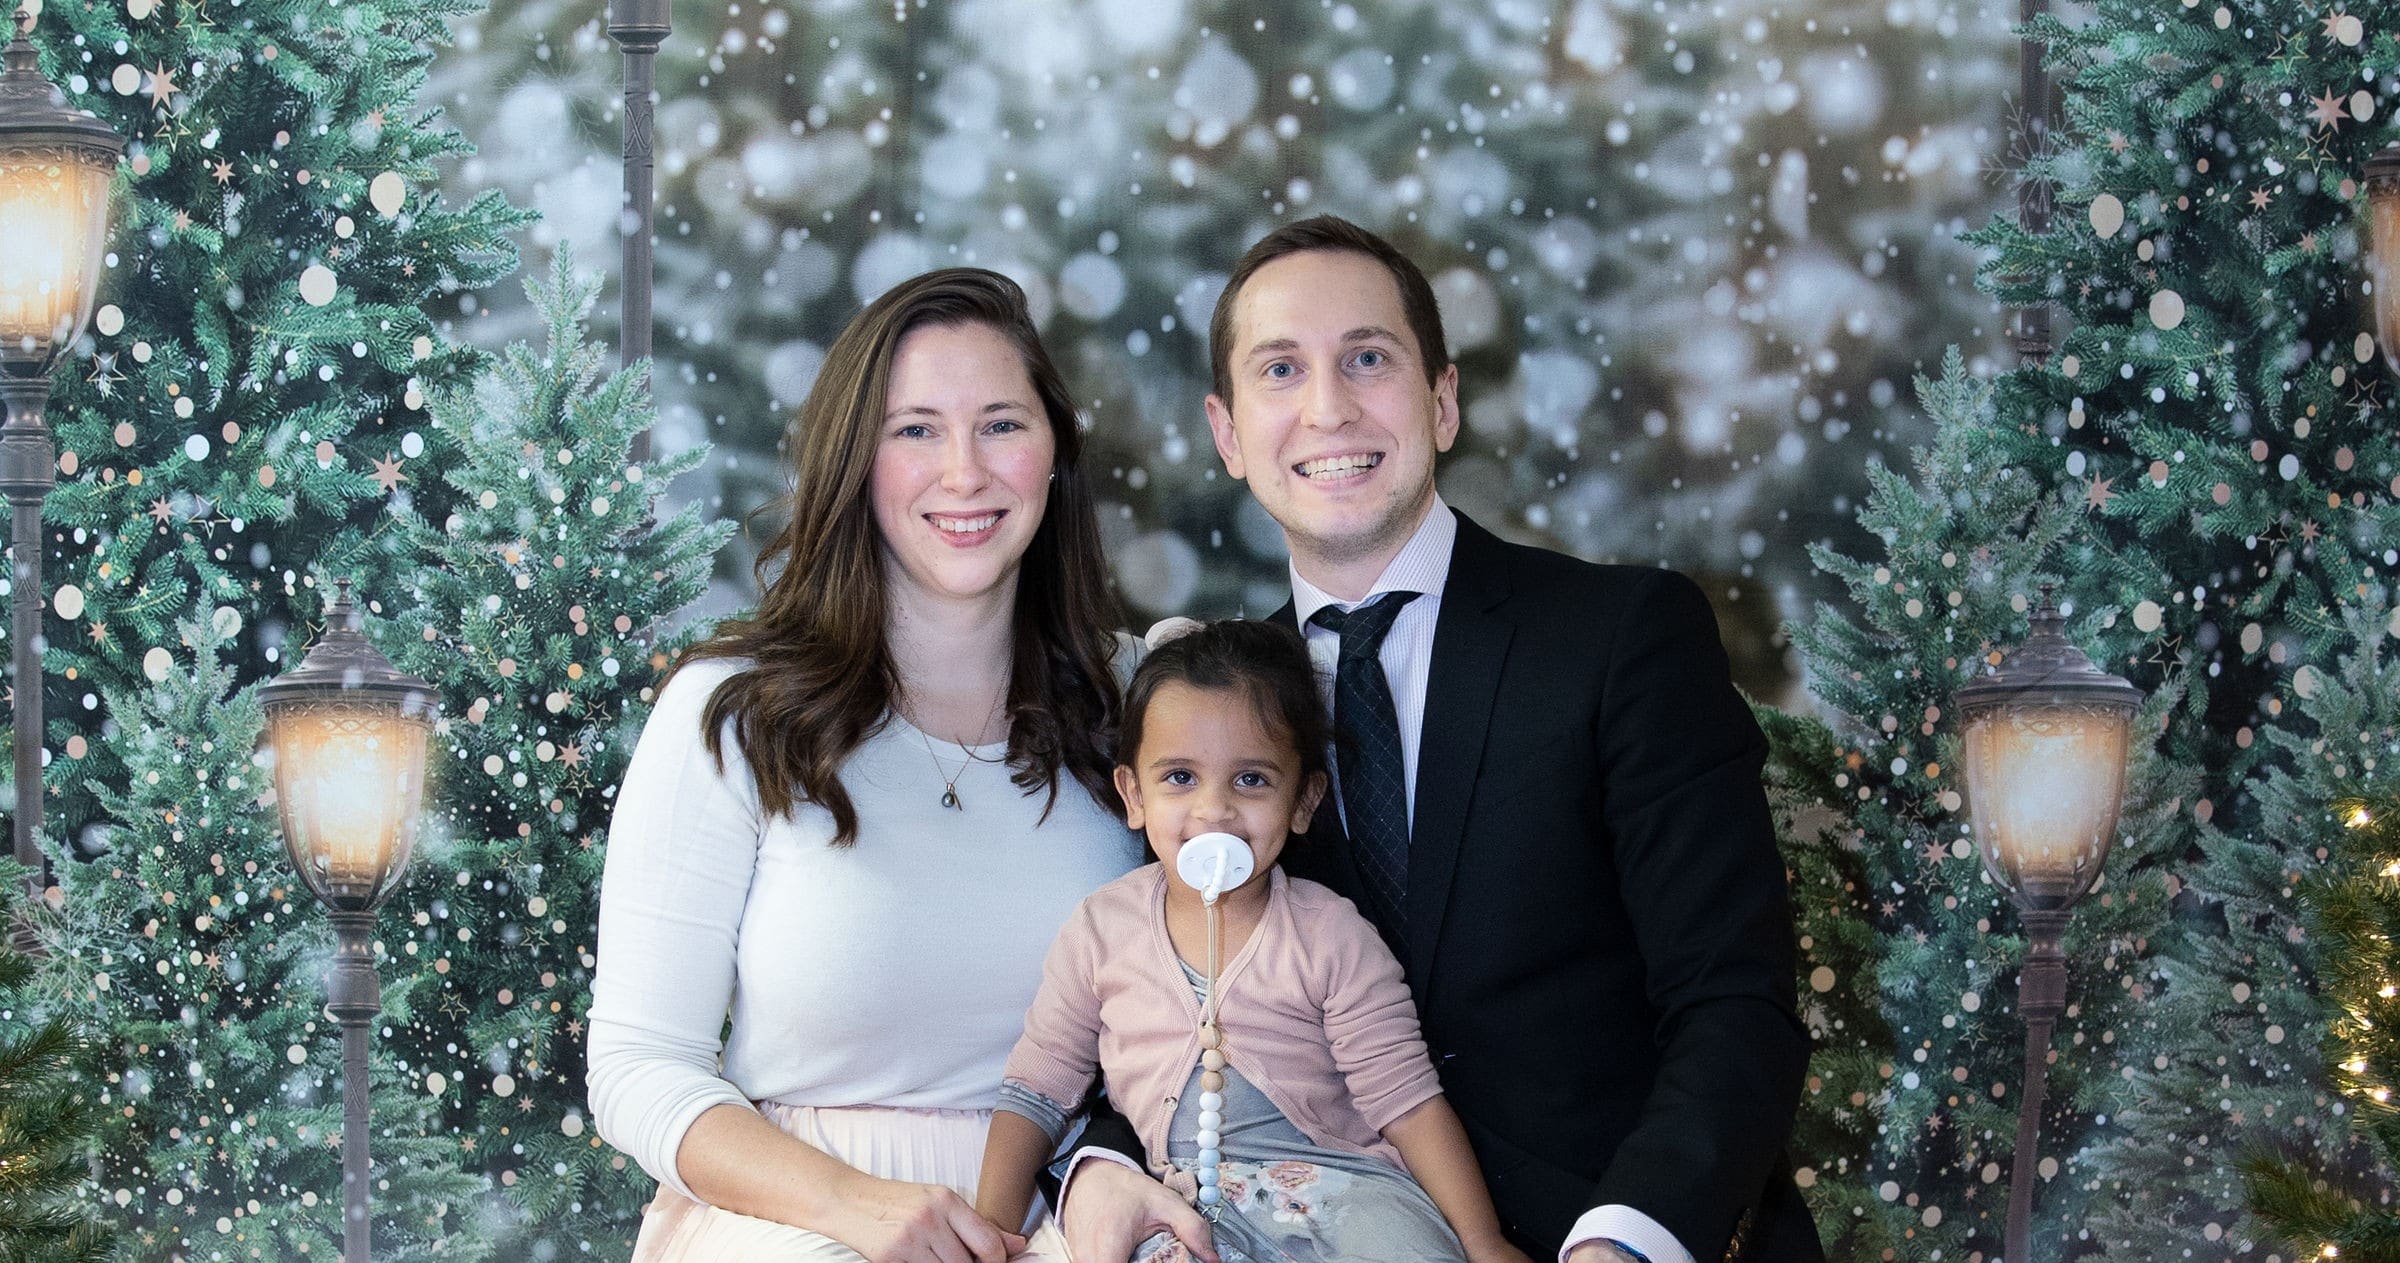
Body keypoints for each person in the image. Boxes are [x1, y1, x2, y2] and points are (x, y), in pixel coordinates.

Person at [1058, 217, 1822, 1263]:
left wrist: (1622, 1242)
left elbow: (1734, 1005)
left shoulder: (1619, 639)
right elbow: (1149, 989)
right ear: (1229, 434)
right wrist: (1097, 1162)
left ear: (1442, 400)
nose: (1328, 408)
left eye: (1367, 359)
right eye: (1281, 370)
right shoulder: (1201, 716)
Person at [587, 267, 1144, 1263]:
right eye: (916, 430)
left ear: (1055, 455)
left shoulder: (1134, 707)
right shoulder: (734, 714)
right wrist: (857, 1209)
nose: (965, 473)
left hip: (1065, 1216)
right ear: (855, 461)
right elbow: (637, 1065)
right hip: (794, 1222)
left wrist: (1104, 1184)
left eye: (1003, 425)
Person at [975, 619, 1536, 1263]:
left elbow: (1408, 1102)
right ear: (1133, 793)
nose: (1214, 810)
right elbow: (1037, 1090)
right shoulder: (1101, 930)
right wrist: (992, 1228)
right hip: (1181, 1206)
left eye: (1251, 780)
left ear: (1303, 800)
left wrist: (1483, 1241)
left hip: (1344, 1198)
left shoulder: (1330, 936)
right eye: (1180, 777)